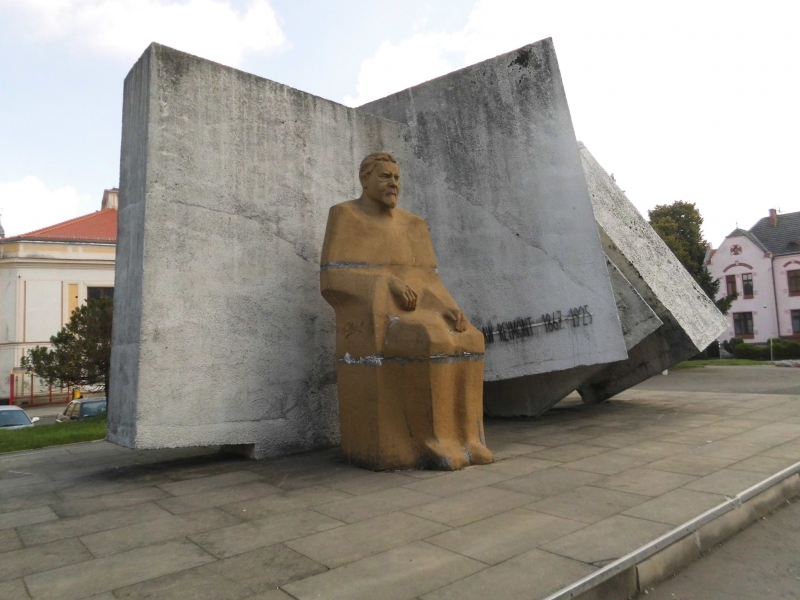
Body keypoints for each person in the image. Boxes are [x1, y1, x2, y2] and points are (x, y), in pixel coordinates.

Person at [320, 152, 492, 470]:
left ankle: (468, 439)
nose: (394, 184)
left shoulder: (414, 225)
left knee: (470, 337)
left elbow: (429, 280)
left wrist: (451, 308)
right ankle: (435, 440)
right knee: (432, 335)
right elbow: (332, 277)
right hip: (381, 318)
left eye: (397, 178)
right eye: (386, 177)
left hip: (421, 310)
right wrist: (386, 282)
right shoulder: (345, 215)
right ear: (365, 179)